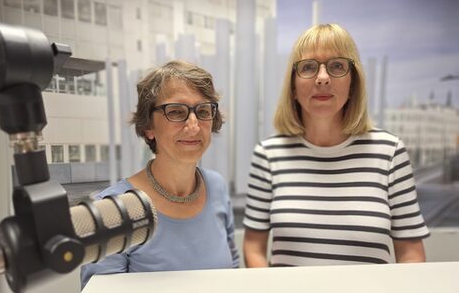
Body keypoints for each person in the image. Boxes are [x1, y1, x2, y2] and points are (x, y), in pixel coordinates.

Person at [242, 23, 429, 267]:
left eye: (337, 66)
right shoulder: (268, 154)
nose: (322, 78)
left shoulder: (390, 152)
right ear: (293, 87)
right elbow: (253, 247)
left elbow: (411, 254)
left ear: (353, 84)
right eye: (308, 67)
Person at [81, 60, 239, 288]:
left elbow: (234, 274)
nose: (194, 125)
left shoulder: (217, 187)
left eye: (203, 111)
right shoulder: (112, 210)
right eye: (176, 112)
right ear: (148, 127)